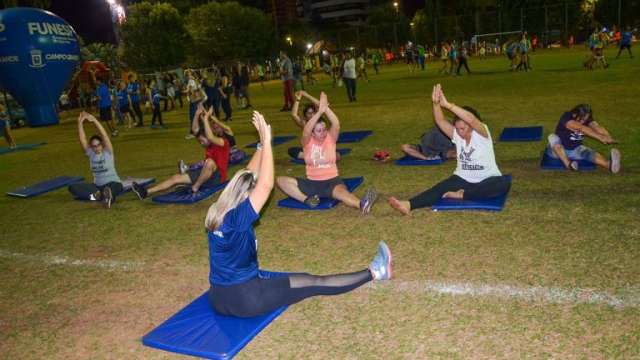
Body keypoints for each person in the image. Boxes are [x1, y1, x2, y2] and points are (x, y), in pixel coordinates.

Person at [205, 111, 393, 318]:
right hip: (246, 299)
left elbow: (246, 177)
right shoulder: (238, 218)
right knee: (312, 281)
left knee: (283, 279)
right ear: (246, 197)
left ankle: (375, 271)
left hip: (218, 298)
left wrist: (261, 145)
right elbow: (265, 185)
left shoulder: (217, 210)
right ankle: (376, 272)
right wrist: (268, 143)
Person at [388, 84, 511, 216]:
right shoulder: (457, 135)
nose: (459, 132)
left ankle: (463, 194)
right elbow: (440, 121)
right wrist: (436, 104)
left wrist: (447, 105)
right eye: (457, 128)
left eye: (463, 128)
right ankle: (408, 205)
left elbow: (471, 118)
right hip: (462, 178)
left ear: (471, 126)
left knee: (503, 183)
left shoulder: (482, 133)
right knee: (440, 188)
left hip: (487, 179)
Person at [277, 92, 377, 212]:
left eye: (324, 129)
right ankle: (306, 200)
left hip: (331, 182)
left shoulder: (330, 138)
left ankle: (361, 204)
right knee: (280, 180)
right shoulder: (307, 142)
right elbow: (306, 129)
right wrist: (319, 112)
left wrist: (325, 109)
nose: (323, 132)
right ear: (312, 133)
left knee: (342, 193)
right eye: (319, 131)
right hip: (311, 183)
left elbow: (336, 123)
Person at [132, 105, 230, 200]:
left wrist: (206, 118)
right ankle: (145, 192)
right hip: (205, 174)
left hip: (217, 178)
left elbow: (210, 137)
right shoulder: (208, 143)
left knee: (209, 162)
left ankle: (195, 187)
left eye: (202, 140)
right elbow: (195, 130)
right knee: (176, 178)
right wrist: (196, 114)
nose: (201, 143)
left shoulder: (223, 142)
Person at [68, 111, 123, 209]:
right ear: (91, 147)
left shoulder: (108, 152)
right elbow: (83, 139)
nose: (96, 148)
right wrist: (80, 122)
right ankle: (104, 196)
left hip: (113, 183)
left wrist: (94, 120)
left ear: (102, 145)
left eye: (98, 145)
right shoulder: (91, 153)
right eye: (94, 146)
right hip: (97, 187)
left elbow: (105, 135)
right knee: (73, 188)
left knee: (116, 187)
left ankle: (104, 196)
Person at [545, 104, 621, 173]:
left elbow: (597, 127)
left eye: (585, 120)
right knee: (553, 137)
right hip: (556, 151)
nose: (583, 121)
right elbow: (581, 128)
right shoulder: (566, 116)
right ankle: (568, 165)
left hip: (575, 149)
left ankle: (609, 165)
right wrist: (600, 137)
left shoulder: (586, 119)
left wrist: (608, 136)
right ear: (575, 114)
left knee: (588, 153)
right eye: (581, 119)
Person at [288, 90, 344, 161]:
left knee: (337, 155)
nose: (312, 115)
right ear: (305, 116)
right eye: (309, 113)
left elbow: (322, 106)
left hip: (324, 147)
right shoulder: (305, 123)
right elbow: (294, 115)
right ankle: (316, 157)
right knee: (292, 150)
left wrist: (307, 95)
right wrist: (298, 99)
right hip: (313, 149)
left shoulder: (321, 121)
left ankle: (317, 157)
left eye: (313, 113)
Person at [186, 70, 205, 139]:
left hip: (194, 100)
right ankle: (203, 130)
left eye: (189, 75)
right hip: (198, 99)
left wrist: (186, 92)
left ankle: (192, 133)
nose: (188, 76)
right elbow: (199, 89)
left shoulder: (191, 81)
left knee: (193, 117)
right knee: (200, 116)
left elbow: (191, 91)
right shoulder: (196, 80)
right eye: (187, 75)